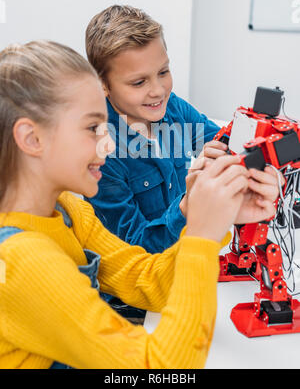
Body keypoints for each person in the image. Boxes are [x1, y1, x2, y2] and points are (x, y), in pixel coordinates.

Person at [0, 41, 278, 369]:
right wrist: (202, 235)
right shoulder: (21, 260)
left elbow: (146, 281)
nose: (109, 142)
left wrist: (217, 214)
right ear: (32, 139)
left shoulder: (67, 210)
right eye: (92, 128)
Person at [84, 4, 280, 320]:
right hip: (132, 305)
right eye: (139, 82)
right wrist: (188, 206)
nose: (158, 90)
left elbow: (226, 144)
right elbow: (135, 253)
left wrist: (262, 163)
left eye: (163, 71)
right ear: (103, 85)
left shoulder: (171, 109)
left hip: (181, 270)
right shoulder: (101, 155)